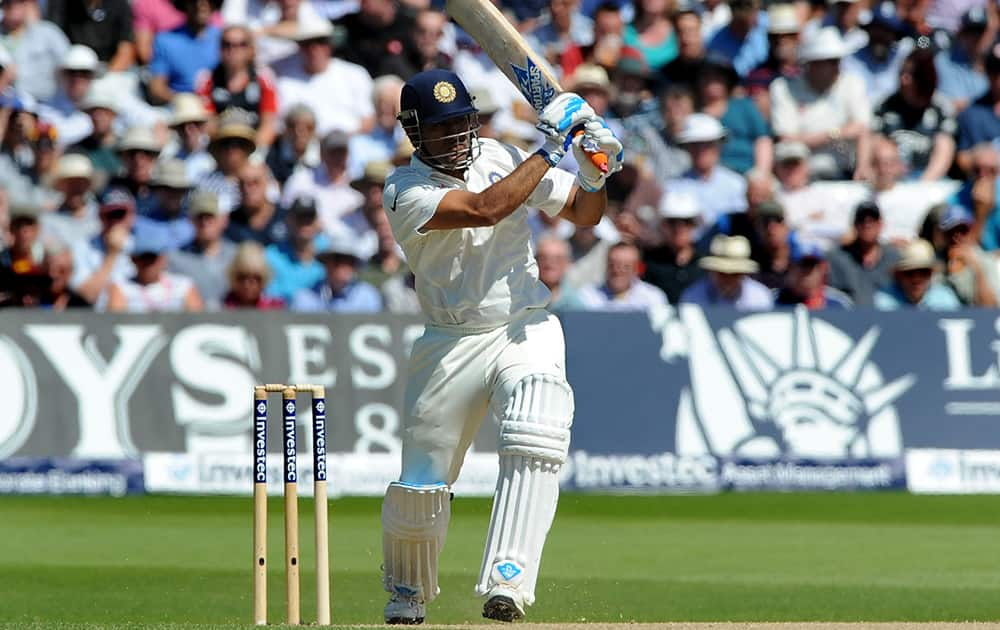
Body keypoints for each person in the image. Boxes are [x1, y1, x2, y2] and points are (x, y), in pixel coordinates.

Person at [378, 69, 621, 624]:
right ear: (415, 134)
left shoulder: (504, 155)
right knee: (422, 484)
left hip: (522, 324)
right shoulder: (404, 189)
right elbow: (485, 208)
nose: (457, 136)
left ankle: (507, 582)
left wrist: (593, 172)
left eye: (463, 122)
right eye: (441, 129)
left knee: (539, 419)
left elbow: (586, 215)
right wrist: (554, 146)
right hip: (450, 341)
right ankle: (408, 594)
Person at [770, 27, 873, 181]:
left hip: (846, 171)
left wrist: (863, 166)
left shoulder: (852, 83)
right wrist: (833, 135)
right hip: (799, 174)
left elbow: (862, 129)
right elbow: (786, 139)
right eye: (830, 61)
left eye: (837, 60)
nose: (836, 67)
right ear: (812, 63)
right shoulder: (783, 88)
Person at [873, 47, 957, 180]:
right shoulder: (885, 105)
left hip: (928, 179)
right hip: (891, 178)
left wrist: (923, 185)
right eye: (902, 73)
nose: (903, 79)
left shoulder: (941, 107)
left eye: (910, 75)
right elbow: (875, 140)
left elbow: (945, 147)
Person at [194, 24, 278, 149]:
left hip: (255, 146)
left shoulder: (264, 78)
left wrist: (252, 152)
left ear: (251, 50)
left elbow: (269, 124)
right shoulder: (206, 79)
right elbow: (207, 124)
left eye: (241, 44)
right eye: (227, 44)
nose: (232, 50)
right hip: (219, 147)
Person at [665, 113, 747, 234]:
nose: (701, 150)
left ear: (718, 146)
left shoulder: (737, 184)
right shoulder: (673, 187)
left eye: (707, 145)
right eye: (695, 145)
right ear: (687, 148)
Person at [168, 190, 237, 308]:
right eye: (200, 217)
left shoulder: (237, 256)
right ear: (190, 220)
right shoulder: (176, 258)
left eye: (210, 216)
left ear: (223, 220)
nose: (205, 222)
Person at [107, 229, 203, 312]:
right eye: (143, 258)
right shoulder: (122, 287)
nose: (148, 264)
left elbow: (198, 322)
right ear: (133, 259)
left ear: (163, 259)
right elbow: (114, 321)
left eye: (152, 258)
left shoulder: (183, 285)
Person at [147, 0, 222, 105]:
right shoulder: (165, 40)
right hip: (179, 109)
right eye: (195, 1)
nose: (201, 6)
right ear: (185, 4)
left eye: (208, 1)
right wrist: (185, 101)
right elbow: (157, 89)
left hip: (219, 106)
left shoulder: (228, 41)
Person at [826, 201, 901, 306]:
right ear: (855, 225)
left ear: (881, 225)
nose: (867, 224)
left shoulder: (895, 258)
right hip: (848, 318)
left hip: (886, 318)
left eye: (872, 220)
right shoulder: (837, 258)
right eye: (862, 220)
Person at [290, 233, 382, 312]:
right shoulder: (305, 298)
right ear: (326, 263)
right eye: (338, 259)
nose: (344, 266)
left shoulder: (367, 296)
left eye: (350, 261)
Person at [680, 234, 774, 310]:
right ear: (712, 271)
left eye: (734, 274)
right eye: (722, 273)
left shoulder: (760, 298)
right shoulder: (693, 298)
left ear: (744, 274)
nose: (728, 280)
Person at [0, 0, 70, 102]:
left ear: (28, 4)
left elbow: (70, 65)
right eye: (8, 2)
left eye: (19, 1)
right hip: (8, 106)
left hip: (50, 106)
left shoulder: (49, 32)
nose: (13, 6)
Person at [642, 191, 704, 303]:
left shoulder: (706, 263)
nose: (679, 228)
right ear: (662, 225)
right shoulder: (649, 261)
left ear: (694, 225)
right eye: (672, 222)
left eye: (686, 221)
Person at [936, 204, 1000, 307]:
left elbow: (990, 307)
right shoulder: (936, 263)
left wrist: (977, 270)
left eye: (963, 230)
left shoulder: (986, 261)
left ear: (972, 230)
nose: (956, 237)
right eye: (951, 232)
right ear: (943, 235)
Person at [874, 238, 961, 310]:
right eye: (909, 273)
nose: (916, 279)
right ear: (899, 276)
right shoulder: (884, 300)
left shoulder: (945, 298)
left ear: (931, 274)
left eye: (924, 272)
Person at [578, 240, 667, 310]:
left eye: (626, 266)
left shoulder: (652, 298)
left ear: (637, 269)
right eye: (613, 264)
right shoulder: (588, 296)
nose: (617, 270)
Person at [773, 243, 853, 309]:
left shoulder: (839, 303)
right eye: (802, 265)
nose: (806, 272)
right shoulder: (772, 300)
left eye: (811, 265)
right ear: (790, 267)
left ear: (822, 269)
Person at [223, 241, 285, 309]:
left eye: (255, 278)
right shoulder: (222, 307)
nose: (247, 284)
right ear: (234, 277)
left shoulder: (275, 308)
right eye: (242, 277)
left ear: (264, 278)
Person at [535, 234, 584, 311]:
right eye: (543, 258)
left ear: (567, 263)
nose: (549, 263)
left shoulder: (576, 306)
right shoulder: (520, 299)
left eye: (557, 259)